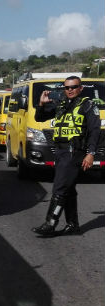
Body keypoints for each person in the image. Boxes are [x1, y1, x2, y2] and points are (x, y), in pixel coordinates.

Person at [31, 76, 101, 237]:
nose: (70, 90)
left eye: (73, 87)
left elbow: (95, 131)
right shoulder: (61, 104)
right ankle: (73, 225)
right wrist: (42, 104)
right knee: (68, 189)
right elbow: (39, 118)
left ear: (80, 88)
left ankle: (50, 223)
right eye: (67, 87)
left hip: (74, 151)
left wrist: (90, 154)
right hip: (61, 151)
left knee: (60, 187)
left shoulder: (88, 105)